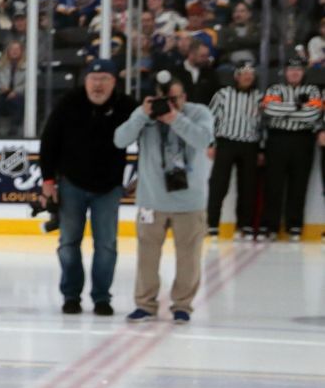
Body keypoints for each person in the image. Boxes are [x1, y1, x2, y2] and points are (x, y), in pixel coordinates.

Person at [39, 59, 136, 316]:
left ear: (114, 82)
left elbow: (147, 137)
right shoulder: (69, 103)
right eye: (94, 79)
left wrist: (144, 178)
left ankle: (101, 297)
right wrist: (48, 180)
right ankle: (71, 295)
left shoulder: (126, 106)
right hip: (71, 184)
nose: (98, 84)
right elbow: (49, 141)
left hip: (109, 187)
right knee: (68, 243)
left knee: (106, 245)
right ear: (85, 81)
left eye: (104, 79)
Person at [115, 76, 213, 321]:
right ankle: (145, 304)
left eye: (174, 99)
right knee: (147, 257)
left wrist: (174, 118)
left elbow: (203, 140)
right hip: (152, 201)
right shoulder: (145, 116)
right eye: (164, 100)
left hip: (190, 202)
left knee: (188, 258)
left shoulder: (199, 113)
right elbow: (119, 139)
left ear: (185, 97)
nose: (169, 104)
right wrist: (141, 115)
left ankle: (182, 305)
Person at [258, 52, 322, 241]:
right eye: (291, 69)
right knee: (273, 184)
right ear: (285, 72)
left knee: (299, 183)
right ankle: (270, 226)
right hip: (278, 139)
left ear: (303, 72)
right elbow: (270, 110)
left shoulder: (313, 91)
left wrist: (286, 109)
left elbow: (312, 114)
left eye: (298, 70)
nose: (294, 73)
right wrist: (298, 106)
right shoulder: (274, 89)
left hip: (303, 141)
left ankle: (295, 225)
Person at [207, 60, 265, 238]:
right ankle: (212, 224)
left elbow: (263, 125)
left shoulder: (259, 97)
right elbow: (210, 119)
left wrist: (261, 149)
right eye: (244, 73)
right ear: (236, 76)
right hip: (226, 143)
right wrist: (211, 143)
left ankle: (244, 225)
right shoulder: (223, 94)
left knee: (247, 186)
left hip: (250, 145)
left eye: (251, 73)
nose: (248, 76)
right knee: (218, 185)